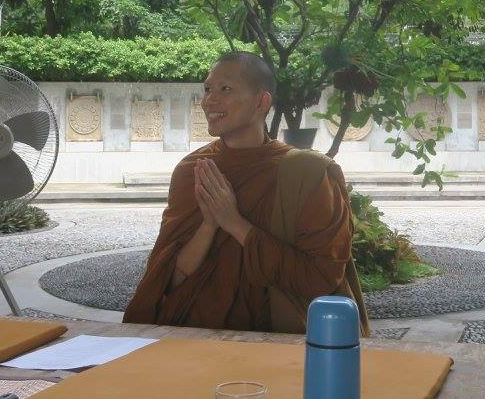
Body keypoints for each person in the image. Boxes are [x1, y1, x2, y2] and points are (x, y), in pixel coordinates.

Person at [124, 52, 368, 333]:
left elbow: (320, 278)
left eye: (225, 89)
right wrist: (209, 225)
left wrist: (235, 223)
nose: (209, 101)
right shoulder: (192, 170)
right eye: (207, 89)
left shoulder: (307, 175)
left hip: (276, 340)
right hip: (194, 336)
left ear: (261, 102)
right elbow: (170, 278)